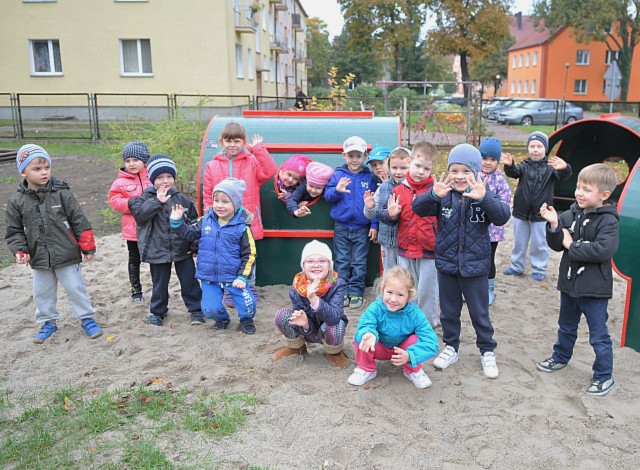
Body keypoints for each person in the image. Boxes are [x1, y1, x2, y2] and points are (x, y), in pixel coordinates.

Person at [412, 144, 510, 379]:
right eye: (454, 170)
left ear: (476, 173)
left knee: (479, 311)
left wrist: (485, 198)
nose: (459, 176)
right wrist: (433, 194)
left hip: (476, 266)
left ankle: (487, 350)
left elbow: (502, 217)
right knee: (448, 311)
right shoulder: (443, 196)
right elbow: (418, 208)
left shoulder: (484, 194)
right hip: (446, 264)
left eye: (466, 171)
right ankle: (451, 347)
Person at [5, 144, 103, 343]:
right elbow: (14, 231)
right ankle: (48, 322)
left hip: (66, 252)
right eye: (37, 168)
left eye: (46, 167)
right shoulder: (17, 201)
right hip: (39, 256)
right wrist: (20, 250)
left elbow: (79, 220)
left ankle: (86, 317)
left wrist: (87, 246)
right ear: (23, 172)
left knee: (75, 287)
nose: (43, 172)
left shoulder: (61, 193)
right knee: (42, 292)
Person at [536, 163, 619, 396]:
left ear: (604, 195)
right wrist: (553, 224)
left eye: (586, 189)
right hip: (569, 285)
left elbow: (602, 251)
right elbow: (555, 244)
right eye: (578, 187)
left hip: (594, 290)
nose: (579, 193)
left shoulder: (609, 221)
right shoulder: (571, 213)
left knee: (598, 335)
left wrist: (571, 244)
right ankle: (560, 357)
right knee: (566, 326)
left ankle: (604, 376)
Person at [170, 178, 257, 334]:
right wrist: (177, 222)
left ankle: (246, 320)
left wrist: (243, 276)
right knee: (210, 308)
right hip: (209, 274)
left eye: (225, 202)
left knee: (246, 304)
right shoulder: (206, 221)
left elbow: (249, 254)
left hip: (234, 275)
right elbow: (189, 233)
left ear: (235, 204)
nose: (219, 205)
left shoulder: (242, 227)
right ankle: (222, 319)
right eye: (216, 200)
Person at [202, 121, 277, 302]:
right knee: (228, 253)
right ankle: (230, 289)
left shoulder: (251, 162)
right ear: (222, 142)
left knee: (248, 253)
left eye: (237, 141)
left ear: (243, 142)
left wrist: (258, 149)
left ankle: (249, 285)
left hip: (246, 217)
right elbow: (207, 193)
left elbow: (270, 171)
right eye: (228, 141)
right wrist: (208, 216)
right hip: (223, 218)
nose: (232, 145)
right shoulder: (212, 166)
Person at [129, 155, 204, 327]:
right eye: (160, 177)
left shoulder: (181, 199)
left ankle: (196, 310)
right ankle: (158, 312)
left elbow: (193, 223)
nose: (165, 181)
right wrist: (157, 201)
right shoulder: (145, 198)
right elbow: (140, 215)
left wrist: (194, 246)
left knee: (189, 281)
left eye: (169, 177)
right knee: (159, 284)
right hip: (157, 249)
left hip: (181, 249)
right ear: (152, 179)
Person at [348, 266, 439, 388]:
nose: (393, 299)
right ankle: (366, 368)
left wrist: (410, 356)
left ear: (409, 296)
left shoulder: (415, 314)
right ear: (382, 289)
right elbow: (366, 324)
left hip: (402, 352)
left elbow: (432, 343)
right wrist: (368, 334)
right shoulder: (375, 308)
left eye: (400, 295)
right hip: (378, 348)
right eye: (389, 292)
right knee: (363, 338)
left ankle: (412, 370)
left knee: (415, 339)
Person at [381, 142, 439, 327]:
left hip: (429, 248)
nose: (421, 171)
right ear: (409, 161)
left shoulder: (436, 191)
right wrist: (391, 215)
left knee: (427, 289)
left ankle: (427, 322)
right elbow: (388, 218)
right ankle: (408, 319)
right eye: (417, 166)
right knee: (406, 286)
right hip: (405, 247)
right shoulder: (398, 190)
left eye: (426, 168)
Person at [502, 131, 572, 281]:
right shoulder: (524, 165)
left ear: (545, 149)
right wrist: (509, 165)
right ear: (528, 148)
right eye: (532, 146)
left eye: (539, 146)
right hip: (521, 211)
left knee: (539, 243)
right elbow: (514, 172)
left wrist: (564, 167)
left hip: (541, 214)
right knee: (519, 242)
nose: (535, 149)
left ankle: (539, 268)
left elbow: (564, 176)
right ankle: (517, 266)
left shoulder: (551, 167)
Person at [272, 240, 349, 368]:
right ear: (303, 266)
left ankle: (333, 352)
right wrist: (306, 324)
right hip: (308, 330)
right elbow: (300, 315)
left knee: (337, 324)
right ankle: (296, 348)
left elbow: (334, 317)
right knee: (282, 315)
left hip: (329, 329)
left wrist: (314, 299)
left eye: (322, 261)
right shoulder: (296, 288)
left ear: (329, 265)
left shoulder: (337, 284)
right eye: (310, 261)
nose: (316, 265)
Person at [324, 135, 378, 309]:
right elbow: (328, 195)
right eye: (351, 155)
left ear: (364, 157)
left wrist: (374, 225)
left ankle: (356, 291)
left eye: (358, 156)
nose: (354, 160)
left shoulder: (369, 178)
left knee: (359, 262)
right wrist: (338, 191)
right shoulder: (338, 175)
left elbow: (375, 203)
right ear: (344, 156)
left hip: (362, 228)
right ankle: (342, 291)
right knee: (341, 261)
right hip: (341, 226)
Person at [108, 141, 153, 302]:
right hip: (132, 230)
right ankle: (136, 290)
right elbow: (114, 201)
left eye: (135, 160)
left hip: (153, 228)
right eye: (128, 161)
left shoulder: (153, 178)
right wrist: (130, 203)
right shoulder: (120, 182)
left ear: (145, 160)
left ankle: (158, 287)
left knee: (155, 259)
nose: (131, 164)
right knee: (134, 260)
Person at [364, 146, 411, 272]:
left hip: (405, 241)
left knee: (405, 272)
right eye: (394, 168)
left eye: (403, 168)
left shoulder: (412, 188)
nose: (398, 172)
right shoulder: (383, 187)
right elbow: (373, 214)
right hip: (386, 241)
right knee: (388, 271)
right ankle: (387, 291)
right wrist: (370, 206)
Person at [479, 138, 512, 305]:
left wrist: (493, 209)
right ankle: (474, 289)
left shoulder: (500, 181)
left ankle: (490, 288)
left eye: (492, 160)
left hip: (492, 230)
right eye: (484, 158)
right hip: (475, 225)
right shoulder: (473, 175)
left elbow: (505, 203)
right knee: (474, 258)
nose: (488, 163)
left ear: (498, 162)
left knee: (489, 259)